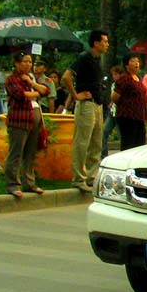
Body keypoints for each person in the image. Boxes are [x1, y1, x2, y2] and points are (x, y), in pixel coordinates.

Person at [62, 29, 110, 191]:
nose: (107, 44)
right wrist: (76, 95)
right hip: (86, 105)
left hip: (97, 104)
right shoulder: (84, 57)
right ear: (96, 43)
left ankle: (92, 176)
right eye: (104, 41)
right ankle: (78, 178)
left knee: (97, 142)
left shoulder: (97, 61)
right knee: (82, 141)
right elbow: (66, 77)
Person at [3, 51, 48, 198]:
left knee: (30, 152)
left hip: (33, 118)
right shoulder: (11, 79)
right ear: (16, 63)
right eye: (24, 61)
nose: (28, 64)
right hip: (19, 119)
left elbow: (45, 90)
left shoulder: (30, 79)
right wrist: (36, 93)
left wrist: (31, 83)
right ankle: (13, 184)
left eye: (30, 62)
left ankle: (29, 182)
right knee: (16, 152)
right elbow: (22, 95)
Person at [112, 52, 147, 151]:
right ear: (126, 64)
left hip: (139, 116)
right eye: (133, 61)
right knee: (128, 144)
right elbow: (114, 97)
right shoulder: (124, 78)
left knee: (140, 144)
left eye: (137, 61)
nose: (136, 63)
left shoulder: (138, 78)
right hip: (127, 117)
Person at [101, 66, 122, 157]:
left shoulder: (122, 84)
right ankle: (103, 154)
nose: (114, 76)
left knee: (121, 134)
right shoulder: (113, 84)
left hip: (119, 112)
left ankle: (122, 153)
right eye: (113, 74)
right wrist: (111, 103)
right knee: (105, 131)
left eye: (116, 74)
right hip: (112, 112)